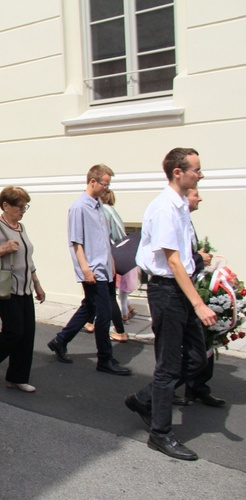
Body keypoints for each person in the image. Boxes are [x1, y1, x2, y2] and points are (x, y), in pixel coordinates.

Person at [125, 147, 216, 461]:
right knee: (168, 366)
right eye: (196, 169)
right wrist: (199, 304)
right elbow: (173, 261)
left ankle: (143, 399)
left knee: (196, 359)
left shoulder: (179, 206)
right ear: (178, 172)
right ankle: (160, 434)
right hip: (167, 292)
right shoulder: (165, 207)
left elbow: (185, 259)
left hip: (179, 290)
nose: (200, 175)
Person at [46, 164, 131, 376]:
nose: (107, 188)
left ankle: (61, 340)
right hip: (92, 270)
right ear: (93, 182)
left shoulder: (99, 206)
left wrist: (111, 264)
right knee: (103, 315)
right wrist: (85, 269)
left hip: (104, 268)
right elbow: (76, 242)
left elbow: (104, 239)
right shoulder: (79, 208)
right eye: (105, 184)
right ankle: (105, 358)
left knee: (90, 308)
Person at [0, 186, 46, 392]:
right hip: (6, 287)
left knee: (27, 334)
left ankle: (17, 377)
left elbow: (28, 260)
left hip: (25, 288)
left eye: (25, 206)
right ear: (6, 205)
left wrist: (37, 284)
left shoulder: (21, 227)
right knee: (13, 332)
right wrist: (3, 248)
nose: (23, 210)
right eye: (20, 206)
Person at [172, 187, 225, 408]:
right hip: (177, 292)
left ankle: (197, 387)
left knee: (204, 341)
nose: (200, 198)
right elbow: (175, 259)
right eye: (196, 194)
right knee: (176, 347)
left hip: (194, 287)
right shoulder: (171, 215)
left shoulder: (187, 221)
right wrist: (198, 257)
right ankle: (163, 390)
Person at [100, 189, 130, 342]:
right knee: (115, 293)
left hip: (109, 256)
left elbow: (104, 236)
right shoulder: (112, 210)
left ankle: (120, 330)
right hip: (119, 253)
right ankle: (124, 316)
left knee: (107, 295)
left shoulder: (103, 211)